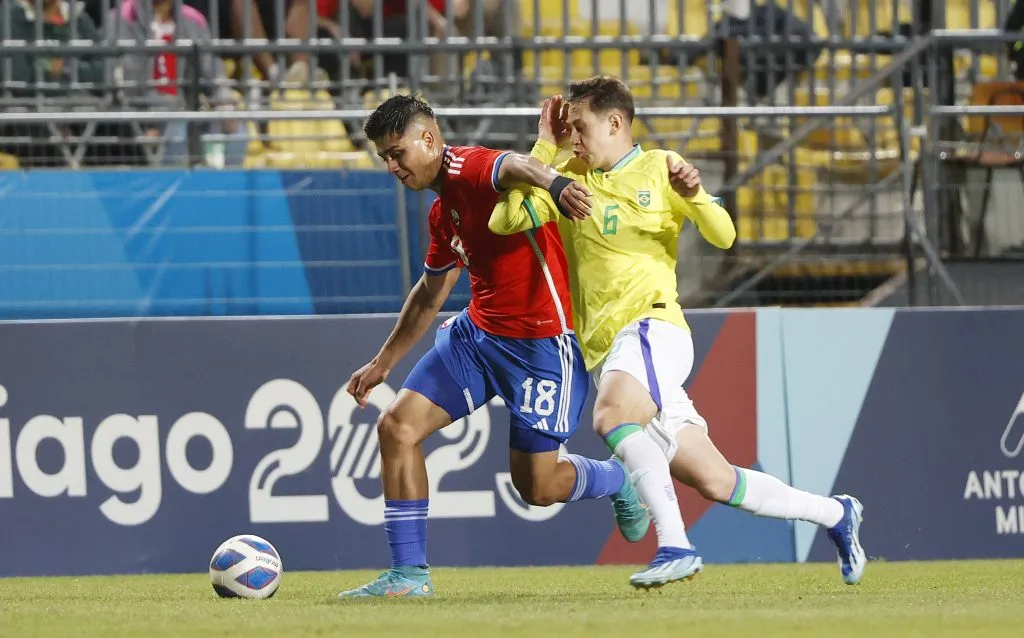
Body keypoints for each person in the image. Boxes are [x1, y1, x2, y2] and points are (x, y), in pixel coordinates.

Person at [489, 77, 867, 589]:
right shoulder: (568, 177)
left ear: (615, 122)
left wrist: (696, 195)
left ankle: (676, 545)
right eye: (569, 128)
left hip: (653, 329)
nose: (574, 136)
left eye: (579, 126)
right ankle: (835, 514)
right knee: (717, 480)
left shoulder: (661, 168)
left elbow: (725, 235)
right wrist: (547, 150)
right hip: (610, 356)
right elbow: (504, 220)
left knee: (610, 416)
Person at [337, 94, 648, 599]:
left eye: (398, 153)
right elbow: (430, 293)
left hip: (544, 346)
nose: (393, 166)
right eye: (384, 158)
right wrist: (383, 362)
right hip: (478, 338)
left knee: (538, 487)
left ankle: (615, 479)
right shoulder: (443, 213)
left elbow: (515, 166)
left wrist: (558, 183)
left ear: (430, 139)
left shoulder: (468, 167)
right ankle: (409, 577)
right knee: (397, 427)